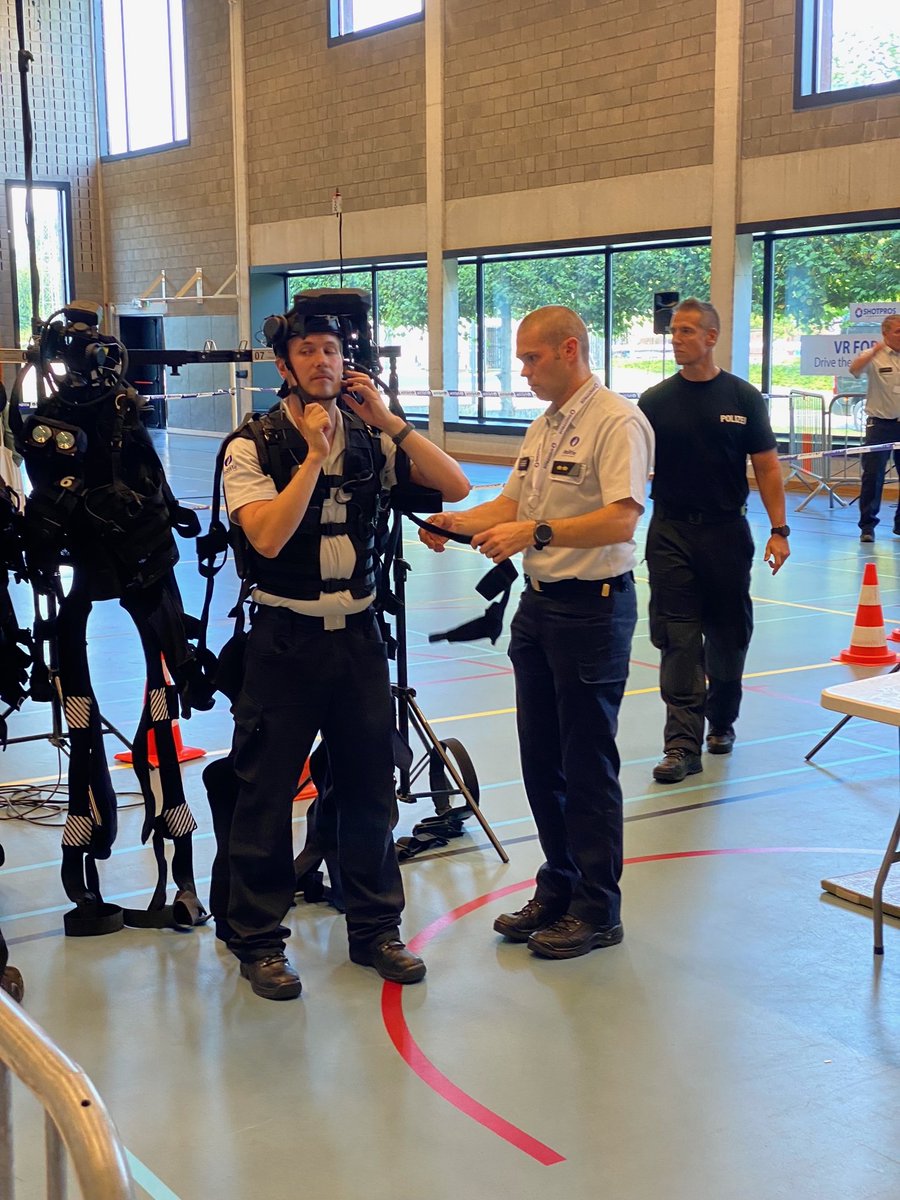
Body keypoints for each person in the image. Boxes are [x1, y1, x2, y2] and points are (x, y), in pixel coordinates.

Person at [216, 308, 469, 999]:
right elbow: (265, 537)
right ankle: (260, 941)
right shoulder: (251, 446)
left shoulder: (371, 438)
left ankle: (374, 929)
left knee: (368, 790)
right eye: (309, 350)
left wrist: (390, 422)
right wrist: (311, 460)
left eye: (333, 349)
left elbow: (456, 487)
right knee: (264, 796)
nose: (324, 361)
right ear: (284, 366)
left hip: (358, 641)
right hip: (283, 641)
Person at [420, 306, 653, 960]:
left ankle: (597, 908)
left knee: (586, 764)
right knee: (541, 759)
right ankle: (560, 885)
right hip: (540, 609)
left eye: (531, 357)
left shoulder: (617, 423)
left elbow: (620, 521)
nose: (521, 369)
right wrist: (455, 521)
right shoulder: (547, 425)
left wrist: (536, 534)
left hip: (592, 611)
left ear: (569, 349)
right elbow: (512, 506)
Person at [638, 298, 790, 785]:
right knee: (678, 636)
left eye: (686, 331)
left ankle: (722, 719)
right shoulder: (654, 401)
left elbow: (766, 467)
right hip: (670, 531)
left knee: (728, 635)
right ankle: (682, 744)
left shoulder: (743, 399)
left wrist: (780, 530)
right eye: (673, 331)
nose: (676, 338)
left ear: (711, 336)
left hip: (727, 532)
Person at [849, 314, 900, 543]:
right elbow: (854, 369)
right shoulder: (874, 357)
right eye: (898, 331)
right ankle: (867, 526)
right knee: (873, 476)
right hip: (880, 425)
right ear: (885, 333)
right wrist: (874, 351)